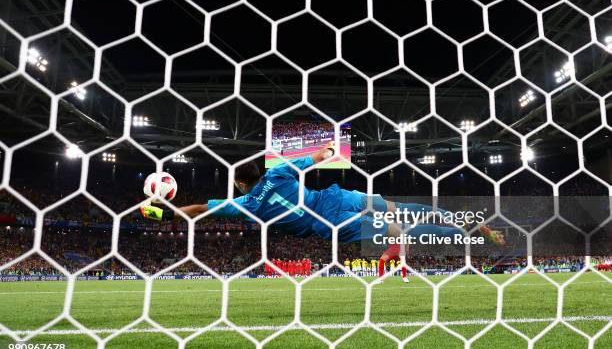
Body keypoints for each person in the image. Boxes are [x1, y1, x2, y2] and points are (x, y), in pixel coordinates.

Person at [141, 142, 504, 281]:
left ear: (239, 184)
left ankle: (469, 235)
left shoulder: (245, 205)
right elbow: (320, 156)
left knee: (406, 234)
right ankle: (470, 224)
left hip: (335, 226)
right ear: (260, 172)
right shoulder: (280, 170)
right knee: (406, 210)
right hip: (340, 197)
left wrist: (163, 212)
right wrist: (329, 149)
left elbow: (199, 210)